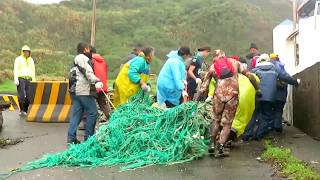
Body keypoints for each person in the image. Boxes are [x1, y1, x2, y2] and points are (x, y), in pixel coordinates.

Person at [204, 49, 259, 157]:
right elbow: (250, 76)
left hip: (218, 96)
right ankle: (220, 148)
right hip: (232, 96)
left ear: (215, 57)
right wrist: (257, 89)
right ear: (224, 55)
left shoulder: (213, 67)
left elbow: (203, 87)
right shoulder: (235, 63)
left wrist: (197, 100)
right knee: (228, 123)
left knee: (216, 120)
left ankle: (211, 144)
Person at [247, 54, 299, 140]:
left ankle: (247, 135)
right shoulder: (275, 69)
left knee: (254, 115)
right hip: (269, 97)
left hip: (257, 96)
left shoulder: (254, 70)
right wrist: (295, 82)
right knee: (266, 116)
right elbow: (285, 77)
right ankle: (259, 135)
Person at [67, 42, 103, 144]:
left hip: (74, 91)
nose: (89, 51)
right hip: (83, 90)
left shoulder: (76, 59)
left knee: (77, 114)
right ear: (85, 49)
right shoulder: (82, 58)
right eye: (88, 49)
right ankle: (89, 138)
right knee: (93, 113)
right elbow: (88, 72)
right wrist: (96, 81)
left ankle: (71, 138)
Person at [270, 53, 299, 132]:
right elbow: (284, 76)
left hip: (270, 93)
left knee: (272, 110)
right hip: (280, 92)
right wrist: (295, 82)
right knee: (279, 109)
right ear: (277, 58)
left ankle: (271, 127)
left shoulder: (268, 67)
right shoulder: (278, 65)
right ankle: (277, 126)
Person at [90, 47, 111, 121]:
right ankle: (112, 119)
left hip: (94, 85)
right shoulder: (102, 60)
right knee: (103, 104)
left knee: (89, 104)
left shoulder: (90, 60)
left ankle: (89, 124)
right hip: (103, 85)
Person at [14, 45, 35, 116]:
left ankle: (26, 110)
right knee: (21, 95)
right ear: (22, 52)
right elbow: (16, 69)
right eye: (25, 52)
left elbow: (33, 70)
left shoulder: (31, 60)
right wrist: (16, 79)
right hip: (21, 79)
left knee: (29, 96)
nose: (26, 53)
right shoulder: (18, 59)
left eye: (28, 52)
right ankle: (22, 110)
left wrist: (34, 80)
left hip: (29, 79)